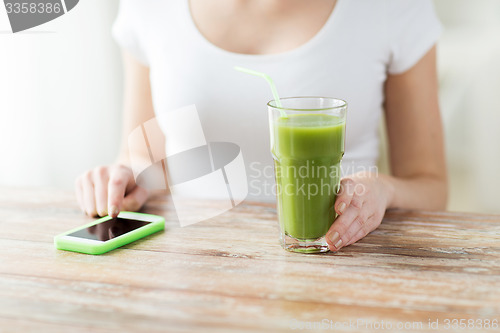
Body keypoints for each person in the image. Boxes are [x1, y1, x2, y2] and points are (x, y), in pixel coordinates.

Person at [75, 0, 447, 252]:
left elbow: (431, 186)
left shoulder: (393, 8)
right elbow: (143, 154)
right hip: (194, 264)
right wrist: (127, 177)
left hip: (338, 256)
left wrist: (383, 192)